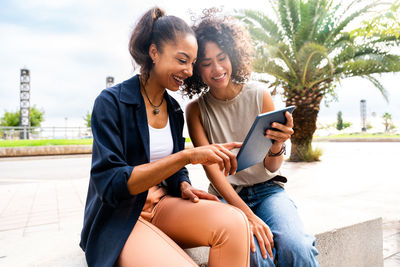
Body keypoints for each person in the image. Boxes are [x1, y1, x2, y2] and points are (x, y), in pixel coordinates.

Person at [80, 7, 251, 267]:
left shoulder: (173, 109)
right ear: (154, 53)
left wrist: (183, 184)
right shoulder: (111, 102)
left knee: (234, 223)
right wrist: (187, 157)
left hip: (161, 205)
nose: (190, 71)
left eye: (193, 63)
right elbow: (111, 183)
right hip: (120, 216)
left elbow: (172, 166)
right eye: (182, 60)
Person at [183, 11, 320, 267]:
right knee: (256, 255)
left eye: (222, 58)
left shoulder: (260, 95)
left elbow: (271, 167)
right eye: (206, 63)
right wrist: (248, 216)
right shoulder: (195, 112)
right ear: (195, 68)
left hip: (269, 190)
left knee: (297, 247)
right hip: (226, 196)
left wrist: (278, 145)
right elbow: (213, 173)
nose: (217, 69)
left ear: (232, 56)